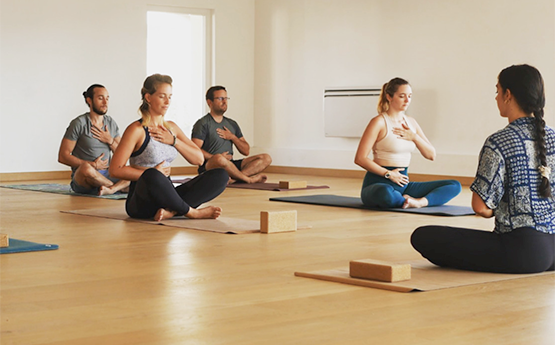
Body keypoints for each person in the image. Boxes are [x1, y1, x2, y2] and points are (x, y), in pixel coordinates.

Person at [411, 64, 555, 274]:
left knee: (423, 236)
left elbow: (480, 207)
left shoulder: (499, 141)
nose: (496, 97)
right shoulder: (552, 137)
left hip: (525, 253)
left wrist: (500, 209)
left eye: (497, 91)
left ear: (508, 95)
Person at [109, 74, 228, 221]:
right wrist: (151, 172)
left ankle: (171, 211)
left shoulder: (172, 128)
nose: (167, 102)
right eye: (162, 96)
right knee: (153, 175)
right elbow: (115, 169)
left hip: (168, 195)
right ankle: (191, 212)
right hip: (141, 202)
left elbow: (198, 159)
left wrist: (173, 141)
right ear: (148, 97)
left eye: (170, 97)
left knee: (221, 175)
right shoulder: (136, 130)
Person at [354, 77, 461, 209]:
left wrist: (414, 137)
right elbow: (360, 158)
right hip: (379, 183)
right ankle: (405, 200)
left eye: (409, 96)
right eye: (402, 96)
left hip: (403, 184)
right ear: (389, 96)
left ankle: (418, 202)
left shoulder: (411, 123)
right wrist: (388, 174)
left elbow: (431, 155)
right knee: (385, 193)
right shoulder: (379, 122)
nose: (407, 100)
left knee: (454, 185)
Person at [58, 84, 130, 196]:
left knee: (135, 169)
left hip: (108, 174)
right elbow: (63, 156)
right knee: (86, 168)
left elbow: (123, 155)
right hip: (86, 177)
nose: (105, 103)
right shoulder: (79, 123)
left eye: (107, 98)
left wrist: (110, 140)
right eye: (100, 98)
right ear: (89, 100)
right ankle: (115, 188)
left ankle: (109, 188)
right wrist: (93, 165)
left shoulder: (110, 123)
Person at [191, 85, 272, 184]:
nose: (224, 102)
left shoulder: (232, 124)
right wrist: (215, 156)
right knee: (219, 159)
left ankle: (234, 178)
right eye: (220, 98)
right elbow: (194, 150)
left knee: (266, 158)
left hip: (230, 164)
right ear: (209, 102)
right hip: (211, 165)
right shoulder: (202, 123)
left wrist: (232, 137)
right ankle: (247, 179)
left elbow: (246, 151)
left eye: (226, 98)